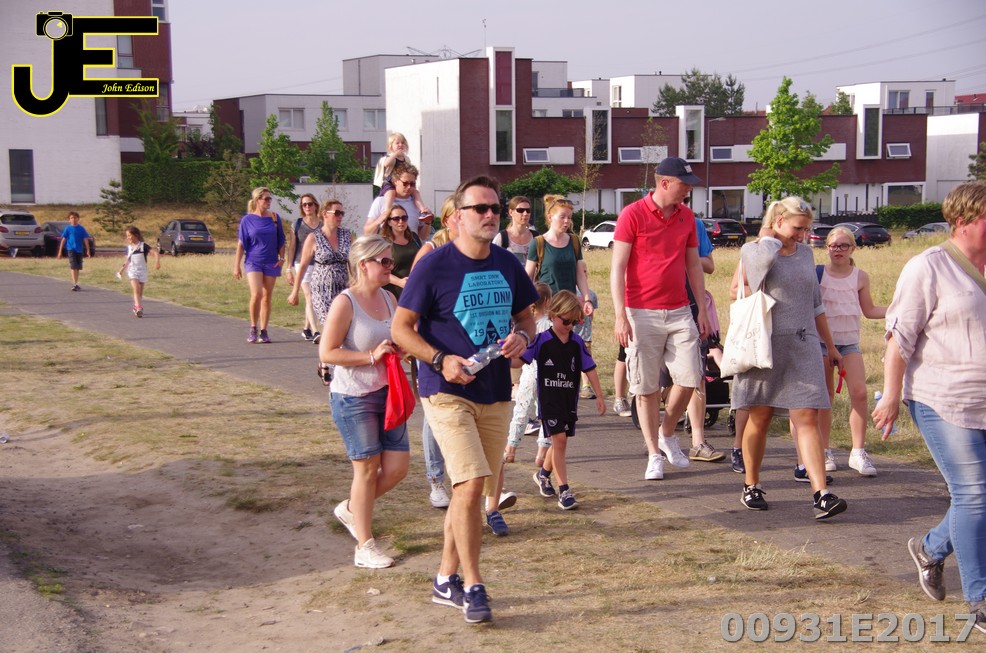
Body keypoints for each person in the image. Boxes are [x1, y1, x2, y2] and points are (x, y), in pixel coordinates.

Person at [392, 175, 538, 625]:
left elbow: (527, 320)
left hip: (495, 392)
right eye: (480, 208)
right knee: (471, 485)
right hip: (446, 390)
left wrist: (521, 337)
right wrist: (439, 359)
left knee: (468, 493)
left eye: (495, 207)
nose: (490, 215)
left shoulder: (508, 263)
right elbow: (400, 329)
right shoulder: (434, 265)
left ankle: (444, 578)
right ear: (457, 216)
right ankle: (474, 585)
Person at [872, 180, 986, 632]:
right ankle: (979, 598)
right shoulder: (928, 266)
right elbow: (900, 337)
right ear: (963, 220)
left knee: (980, 494)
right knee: (974, 494)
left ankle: (931, 548)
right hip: (943, 399)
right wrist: (891, 395)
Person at [731, 196, 848, 520]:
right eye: (798, 228)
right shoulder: (755, 250)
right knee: (761, 416)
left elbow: (815, 303)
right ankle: (751, 484)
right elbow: (754, 275)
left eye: (806, 229)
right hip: (764, 345)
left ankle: (821, 494)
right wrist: (769, 239)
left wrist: (831, 346)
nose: (802, 235)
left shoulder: (806, 254)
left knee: (807, 416)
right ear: (779, 220)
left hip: (803, 344)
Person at [610, 157, 709, 481]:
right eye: (684, 184)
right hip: (641, 312)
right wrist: (620, 315)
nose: (689, 190)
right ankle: (654, 453)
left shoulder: (686, 216)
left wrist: (702, 309)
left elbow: (693, 265)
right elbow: (618, 268)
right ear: (664, 183)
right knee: (646, 387)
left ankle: (667, 433)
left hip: (680, 310)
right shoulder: (632, 214)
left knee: (691, 376)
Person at [320, 235, 408, 569]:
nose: (390, 267)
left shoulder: (389, 298)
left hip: (389, 394)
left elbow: (397, 337)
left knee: (397, 469)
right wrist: (370, 356)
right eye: (383, 261)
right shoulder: (345, 303)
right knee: (367, 470)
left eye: (390, 261)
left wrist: (401, 349)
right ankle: (365, 545)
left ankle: (351, 509)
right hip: (354, 397)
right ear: (363, 265)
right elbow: (327, 352)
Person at [802, 226, 886, 476]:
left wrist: (901, 308)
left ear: (853, 249)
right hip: (820, 342)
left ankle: (858, 452)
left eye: (843, 246)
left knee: (859, 393)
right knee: (826, 396)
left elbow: (870, 310)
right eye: (833, 246)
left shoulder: (860, 277)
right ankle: (824, 450)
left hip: (849, 343)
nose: (837, 250)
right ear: (826, 248)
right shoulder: (818, 273)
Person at [525, 290, 605, 510]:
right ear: (553, 315)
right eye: (566, 321)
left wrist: (600, 396)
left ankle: (543, 475)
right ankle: (564, 491)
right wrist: (505, 352)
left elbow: (590, 368)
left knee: (560, 442)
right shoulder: (541, 340)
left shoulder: (577, 343)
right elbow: (520, 359)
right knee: (559, 440)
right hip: (549, 401)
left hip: (568, 401)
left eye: (575, 321)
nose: (570, 326)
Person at [410, 196, 457, 509]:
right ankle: (436, 478)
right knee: (434, 409)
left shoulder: (475, 251)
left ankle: (464, 477)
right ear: (449, 219)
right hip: (431, 342)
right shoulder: (430, 250)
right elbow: (413, 298)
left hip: (462, 343)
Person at [288, 199, 351, 354]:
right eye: (337, 213)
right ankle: (328, 359)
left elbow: (353, 262)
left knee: (344, 327)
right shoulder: (314, 237)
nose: (340, 216)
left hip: (343, 289)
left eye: (342, 213)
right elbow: (303, 266)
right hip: (321, 290)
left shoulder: (347, 235)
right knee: (331, 326)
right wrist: (295, 291)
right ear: (325, 214)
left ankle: (327, 361)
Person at [233, 187, 286, 344]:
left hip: (271, 261)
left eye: (270, 198)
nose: (269, 201)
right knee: (256, 294)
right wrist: (236, 266)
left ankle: (264, 330)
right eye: (266, 199)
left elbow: (282, 240)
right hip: (253, 261)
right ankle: (253, 327)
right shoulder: (247, 220)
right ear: (257, 200)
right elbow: (241, 244)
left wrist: (282, 259)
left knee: (267, 296)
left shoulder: (275, 218)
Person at [525, 195, 593, 312]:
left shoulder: (574, 241)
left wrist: (587, 300)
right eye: (562, 217)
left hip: (569, 306)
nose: (566, 221)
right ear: (550, 217)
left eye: (569, 217)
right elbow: (527, 277)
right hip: (546, 307)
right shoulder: (538, 242)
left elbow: (580, 274)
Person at [284, 193, 322, 342]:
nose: (307, 207)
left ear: (315, 205)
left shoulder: (323, 224)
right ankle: (315, 331)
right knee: (310, 296)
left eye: (310, 204)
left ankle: (306, 328)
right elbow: (292, 247)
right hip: (301, 264)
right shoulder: (297, 224)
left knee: (315, 297)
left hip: (319, 264)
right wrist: (289, 269)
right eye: (304, 205)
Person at [372, 132, 431, 224]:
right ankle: (386, 213)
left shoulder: (406, 158)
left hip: (402, 183)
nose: (400, 145)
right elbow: (386, 164)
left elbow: (409, 170)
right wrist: (395, 154)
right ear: (391, 146)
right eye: (397, 143)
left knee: (415, 192)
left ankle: (422, 211)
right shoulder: (389, 157)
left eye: (402, 143)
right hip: (389, 183)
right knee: (391, 193)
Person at [364, 162, 430, 241]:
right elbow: (367, 232)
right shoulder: (381, 201)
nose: (409, 187)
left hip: (412, 247)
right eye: (405, 183)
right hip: (388, 247)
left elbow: (422, 237)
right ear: (395, 181)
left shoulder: (417, 203)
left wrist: (427, 223)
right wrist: (380, 219)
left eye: (412, 184)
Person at [116, 226, 160, 318]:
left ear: (136, 235)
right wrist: (121, 271)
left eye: (129, 235)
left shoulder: (143, 246)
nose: (128, 237)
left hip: (142, 271)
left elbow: (155, 253)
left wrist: (157, 263)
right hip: (132, 271)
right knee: (136, 288)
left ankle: (136, 307)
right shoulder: (128, 248)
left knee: (140, 292)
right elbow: (127, 261)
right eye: (127, 236)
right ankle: (139, 307)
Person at [380, 205, 422, 300]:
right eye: (396, 219)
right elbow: (380, 271)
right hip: (394, 293)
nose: (401, 221)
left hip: (415, 289)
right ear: (389, 222)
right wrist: (399, 282)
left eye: (404, 218)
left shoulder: (414, 237)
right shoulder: (383, 242)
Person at [493, 195, 538, 264]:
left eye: (528, 210)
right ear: (511, 212)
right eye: (520, 210)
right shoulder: (502, 238)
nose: (525, 214)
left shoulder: (536, 238)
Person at [56, 211, 92, 291]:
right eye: (71, 218)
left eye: (75, 217)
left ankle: (76, 283)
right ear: (69, 220)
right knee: (73, 266)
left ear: (78, 219)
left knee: (78, 267)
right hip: (71, 249)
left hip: (79, 250)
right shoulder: (68, 228)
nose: (73, 219)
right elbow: (63, 240)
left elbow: (85, 239)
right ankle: (74, 284)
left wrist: (88, 250)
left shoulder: (81, 228)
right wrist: (60, 251)